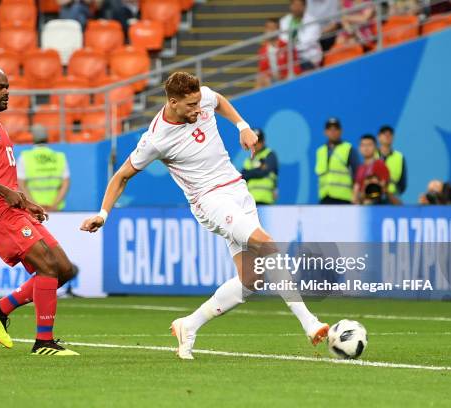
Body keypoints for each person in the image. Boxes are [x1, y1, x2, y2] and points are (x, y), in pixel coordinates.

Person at [81, 72, 329, 360]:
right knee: (267, 244)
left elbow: (219, 100)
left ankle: (189, 324)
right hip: (209, 200)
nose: (198, 110)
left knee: (252, 280)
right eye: (190, 106)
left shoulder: (202, 98)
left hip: (237, 189)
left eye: (199, 102)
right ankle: (309, 322)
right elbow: (122, 176)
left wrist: (242, 126)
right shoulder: (157, 139)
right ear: (173, 102)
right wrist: (103, 214)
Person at [0, 67, 78, 356]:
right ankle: (43, 342)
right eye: (0, 87)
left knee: (64, 269)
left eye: (8, 86)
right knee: (47, 267)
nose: (7, 91)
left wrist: (22, 199)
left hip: (14, 209)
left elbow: (1, 175)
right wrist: (6, 193)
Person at [17, 125, 70, 212]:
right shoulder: (60, 157)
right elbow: (65, 184)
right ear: (47, 137)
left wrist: (35, 205)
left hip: (34, 211)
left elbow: (21, 185)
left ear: (33, 138)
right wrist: (54, 205)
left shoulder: (25, 157)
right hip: (56, 209)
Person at [315, 117, 360, 204]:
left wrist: (355, 195)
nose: (333, 132)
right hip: (325, 198)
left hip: (344, 199)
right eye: (330, 129)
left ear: (341, 131)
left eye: (336, 129)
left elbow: (357, 174)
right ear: (325, 132)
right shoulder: (320, 151)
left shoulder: (348, 149)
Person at [353, 134, 399, 204]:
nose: (366, 148)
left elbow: (381, 189)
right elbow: (356, 191)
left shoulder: (380, 165)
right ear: (359, 148)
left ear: (376, 148)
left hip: (375, 206)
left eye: (369, 145)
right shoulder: (360, 168)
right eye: (363, 145)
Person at [279, 0, 323, 73]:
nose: (296, 8)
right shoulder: (284, 21)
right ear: (290, 6)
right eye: (294, 5)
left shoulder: (313, 21)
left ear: (305, 7)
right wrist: (291, 46)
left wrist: (290, 46)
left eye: (299, 6)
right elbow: (283, 39)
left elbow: (306, 43)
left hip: (307, 57)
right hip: (288, 57)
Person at [241, 128, 278, 205]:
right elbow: (242, 177)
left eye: (258, 141)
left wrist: (250, 173)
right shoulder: (248, 160)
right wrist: (259, 169)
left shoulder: (270, 155)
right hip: (250, 202)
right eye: (254, 141)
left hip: (266, 201)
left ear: (263, 142)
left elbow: (264, 172)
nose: (256, 144)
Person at [256, 18, 289, 88]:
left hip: (285, 78)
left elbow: (294, 66)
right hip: (270, 80)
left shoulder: (286, 46)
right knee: (261, 78)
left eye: (272, 28)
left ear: (278, 30)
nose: (270, 31)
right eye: (268, 28)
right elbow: (262, 70)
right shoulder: (262, 50)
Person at [377, 125, 407, 196]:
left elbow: (403, 182)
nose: (387, 136)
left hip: (392, 196)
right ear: (378, 137)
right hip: (374, 194)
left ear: (393, 137)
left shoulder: (399, 157)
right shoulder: (372, 155)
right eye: (384, 134)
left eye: (390, 134)